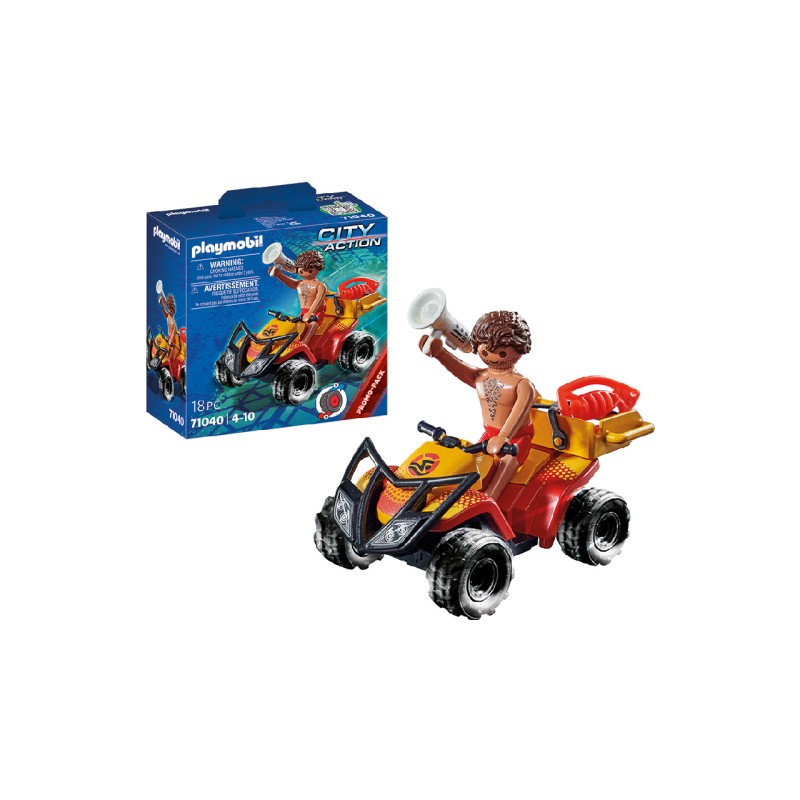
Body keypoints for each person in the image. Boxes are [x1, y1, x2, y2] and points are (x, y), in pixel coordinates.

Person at [420, 310, 537, 500]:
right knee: (470, 464)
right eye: (485, 350)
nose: (493, 356)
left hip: (516, 440)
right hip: (489, 436)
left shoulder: (522, 385)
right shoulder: (481, 376)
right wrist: (440, 353)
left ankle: (490, 499)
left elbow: (518, 413)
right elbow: (460, 369)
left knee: (505, 466)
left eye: (501, 352)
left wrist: (504, 437)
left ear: (520, 349)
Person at [270, 250, 327, 343]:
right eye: (301, 270)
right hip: (303, 312)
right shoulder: (300, 283)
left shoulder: (320, 285)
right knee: (294, 325)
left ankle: (304, 343)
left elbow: (318, 300)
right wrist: (279, 275)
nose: (304, 272)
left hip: (317, 313)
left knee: (313, 325)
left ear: (318, 269)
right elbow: (291, 283)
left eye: (309, 270)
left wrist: (310, 312)